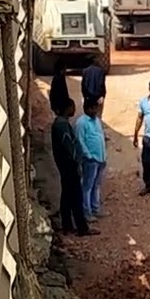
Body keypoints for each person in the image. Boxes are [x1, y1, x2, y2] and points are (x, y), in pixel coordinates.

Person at [51, 99, 99, 236]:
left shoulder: (60, 124)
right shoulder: (62, 125)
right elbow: (69, 147)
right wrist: (76, 163)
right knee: (76, 196)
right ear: (66, 109)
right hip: (69, 166)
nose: (74, 109)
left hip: (64, 165)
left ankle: (67, 226)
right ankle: (82, 227)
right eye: (71, 107)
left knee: (67, 195)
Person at [75, 97, 108, 220]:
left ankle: (96, 208)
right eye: (93, 108)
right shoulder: (81, 123)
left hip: (100, 159)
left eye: (96, 108)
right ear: (87, 109)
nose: (95, 110)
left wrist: (104, 155)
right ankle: (86, 212)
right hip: (90, 160)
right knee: (87, 186)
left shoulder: (97, 121)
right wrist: (88, 155)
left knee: (97, 185)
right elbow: (80, 140)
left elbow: (100, 137)